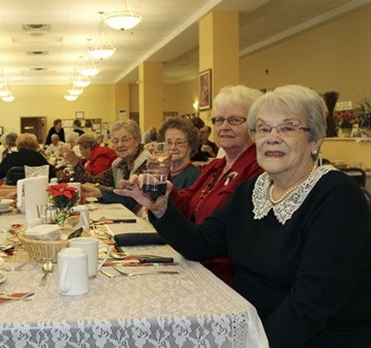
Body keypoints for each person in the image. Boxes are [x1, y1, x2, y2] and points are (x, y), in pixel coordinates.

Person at [116, 85, 371, 347]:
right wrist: (160, 207)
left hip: (316, 337)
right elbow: (201, 243)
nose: (272, 137)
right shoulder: (252, 189)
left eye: (287, 127)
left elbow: (311, 304)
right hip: (250, 323)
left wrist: (251, 342)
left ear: (315, 140)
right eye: (262, 128)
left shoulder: (337, 196)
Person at [157, 85, 265, 285]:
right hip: (192, 261)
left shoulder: (258, 169)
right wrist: (162, 182)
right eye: (219, 120)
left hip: (223, 277)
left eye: (234, 120)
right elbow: (184, 206)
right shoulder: (216, 165)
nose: (224, 126)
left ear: (254, 125)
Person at [65, 120, 149, 210]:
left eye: (125, 140)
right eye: (115, 141)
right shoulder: (119, 164)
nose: (120, 145)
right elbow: (95, 181)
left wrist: (100, 191)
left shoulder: (147, 163)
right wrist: (75, 164)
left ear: (137, 140)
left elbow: (132, 199)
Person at [157, 117, 201, 190]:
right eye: (169, 142)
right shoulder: (161, 173)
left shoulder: (195, 176)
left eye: (179, 143)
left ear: (190, 146)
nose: (173, 147)